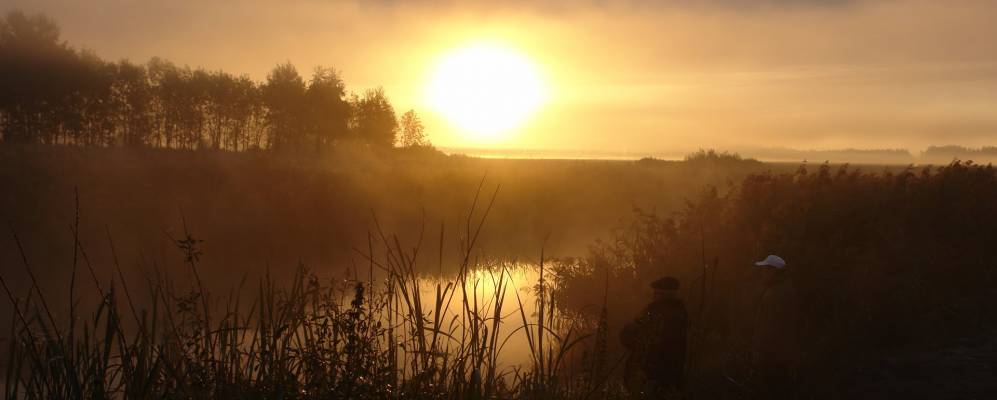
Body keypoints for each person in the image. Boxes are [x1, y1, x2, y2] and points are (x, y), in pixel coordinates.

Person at [620, 276, 689, 397]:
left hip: (651, 375)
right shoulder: (680, 312)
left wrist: (628, 332)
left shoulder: (655, 313)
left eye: (657, 293)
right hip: (670, 375)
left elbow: (635, 337)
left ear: (663, 294)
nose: (654, 296)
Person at [751, 255, 801, 399]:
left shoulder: (773, 295)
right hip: (785, 359)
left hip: (772, 360)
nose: (762, 274)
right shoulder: (788, 290)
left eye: (765, 270)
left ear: (773, 272)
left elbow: (765, 330)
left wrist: (757, 356)